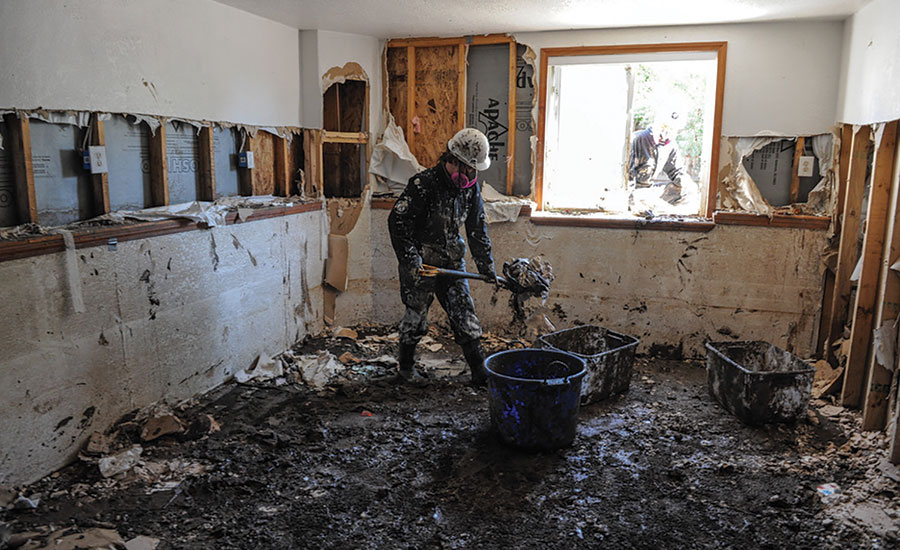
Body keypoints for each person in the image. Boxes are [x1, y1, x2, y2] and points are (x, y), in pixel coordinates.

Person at [388, 128, 497, 386]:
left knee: (465, 314)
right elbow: (398, 222)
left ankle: (480, 373)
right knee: (415, 316)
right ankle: (406, 371)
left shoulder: (470, 189)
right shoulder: (423, 184)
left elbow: (477, 228)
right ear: (454, 160)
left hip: (452, 262)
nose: (472, 175)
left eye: (475, 170)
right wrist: (411, 260)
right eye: (469, 168)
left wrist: (486, 265)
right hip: (421, 263)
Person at [627, 113, 685, 205]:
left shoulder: (670, 145)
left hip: (649, 193)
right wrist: (634, 202)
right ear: (656, 125)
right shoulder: (636, 140)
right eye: (664, 127)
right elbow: (627, 180)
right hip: (633, 195)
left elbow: (678, 172)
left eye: (673, 130)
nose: (667, 133)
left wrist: (686, 186)